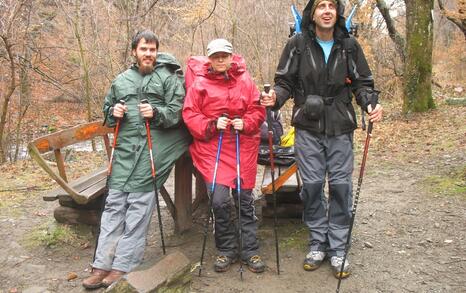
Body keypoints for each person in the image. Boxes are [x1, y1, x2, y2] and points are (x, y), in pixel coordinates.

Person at [261, 0, 383, 279]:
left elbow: (364, 84)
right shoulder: (298, 44)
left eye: (331, 5)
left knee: (341, 187)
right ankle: (318, 242)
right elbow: (284, 82)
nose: (327, 10)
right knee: (313, 187)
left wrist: (370, 104)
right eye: (321, 6)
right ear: (312, 13)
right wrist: (275, 98)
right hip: (307, 126)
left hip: (340, 126)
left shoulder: (349, 45)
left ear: (337, 12)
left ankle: (338, 247)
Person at [82, 29, 190, 289]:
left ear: (157, 52)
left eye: (152, 50)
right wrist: (113, 112)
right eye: (144, 49)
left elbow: (177, 112)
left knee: (139, 206)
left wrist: (156, 112)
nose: (148, 54)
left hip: (153, 146)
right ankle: (101, 265)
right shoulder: (121, 80)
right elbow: (107, 115)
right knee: (114, 205)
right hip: (125, 149)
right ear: (134, 52)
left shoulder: (168, 78)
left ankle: (123, 265)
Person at [183, 39, 266, 273]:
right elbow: (190, 115)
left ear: (231, 57)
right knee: (219, 200)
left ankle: (250, 249)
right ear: (209, 58)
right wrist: (211, 123)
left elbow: (257, 109)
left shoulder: (246, 80)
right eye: (216, 56)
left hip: (242, 144)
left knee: (243, 199)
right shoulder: (199, 84)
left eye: (224, 55)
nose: (220, 59)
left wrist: (246, 122)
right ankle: (226, 249)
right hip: (213, 148)